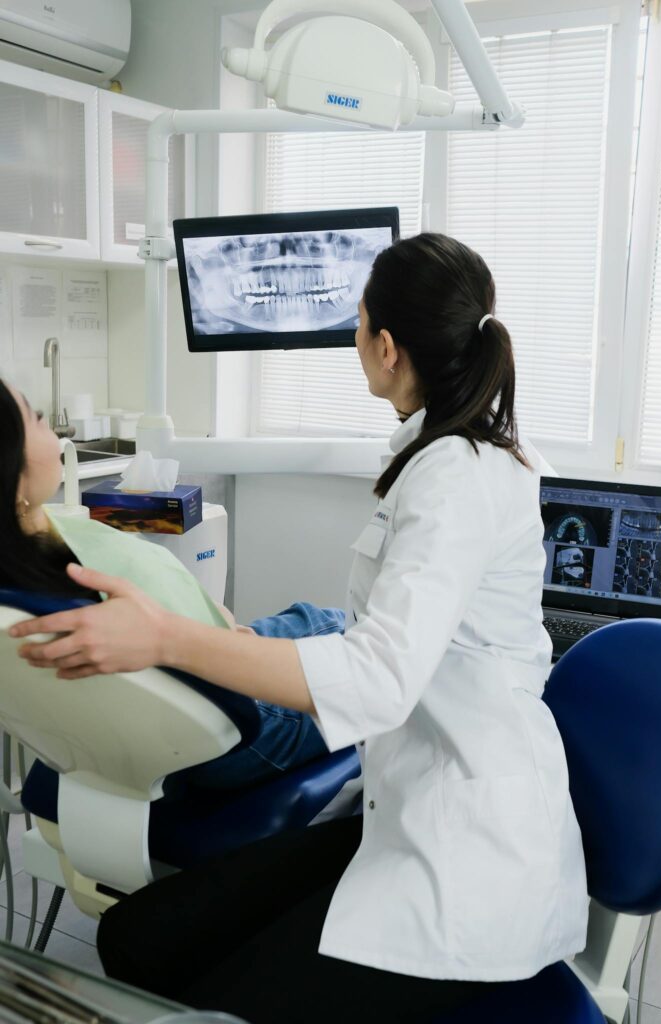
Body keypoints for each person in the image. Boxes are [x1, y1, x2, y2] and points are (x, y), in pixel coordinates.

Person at [10, 234, 589, 1024]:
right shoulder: (440, 453)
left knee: (196, 989)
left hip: (467, 853)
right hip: (403, 802)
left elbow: (379, 679)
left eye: (356, 324)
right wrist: (234, 644)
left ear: (385, 347)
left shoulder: (459, 476)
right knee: (139, 939)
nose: (355, 340)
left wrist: (168, 638)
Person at [0, 377, 343, 791]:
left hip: (151, 723)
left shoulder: (25, 559)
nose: (50, 428)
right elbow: (202, 651)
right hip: (227, 733)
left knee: (307, 619)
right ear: (10, 470)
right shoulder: (89, 570)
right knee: (342, 636)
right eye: (35, 418)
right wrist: (219, 623)